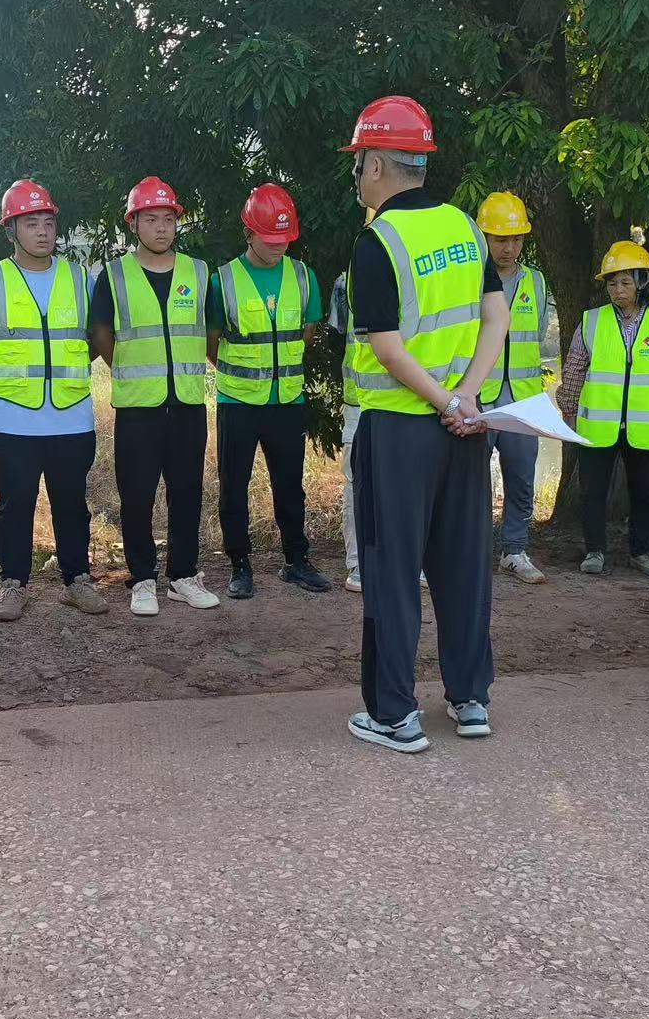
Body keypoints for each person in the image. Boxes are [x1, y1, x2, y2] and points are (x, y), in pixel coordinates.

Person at [340, 96, 510, 754]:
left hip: (398, 432)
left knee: (391, 572)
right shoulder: (466, 229)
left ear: (378, 164)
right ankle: (470, 700)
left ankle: (393, 715)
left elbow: (386, 348)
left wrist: (442, 401)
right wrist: (466, 397)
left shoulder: (377, 241)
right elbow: (496, 318)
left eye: (360, 162)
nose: (358, 175)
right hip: (466, 429)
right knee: (464, 567)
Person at [0, 179, 109, 620]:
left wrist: (62, 366)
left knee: (71, 503)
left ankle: (77, 581)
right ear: (11, 231)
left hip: (72, 416)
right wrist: (9, 373)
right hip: (13, 418)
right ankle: (13, 584)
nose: (42, 231)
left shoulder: (80, 279)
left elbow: (93, 340)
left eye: (48, 222)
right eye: (30, 223)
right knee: (14, 504)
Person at [89, 176, 219, 616]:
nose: (161, 228)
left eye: (168, 219)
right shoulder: (114, 275)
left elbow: (210, 331)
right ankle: (142, 578)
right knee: (137, 496)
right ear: (134, 224)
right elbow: (102, 334)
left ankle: (183, 576)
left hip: (186, 404)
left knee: (187, 494)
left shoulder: (198, 272)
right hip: (137, 408)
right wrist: (129, 369)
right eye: (151, 219)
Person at [206, 183, 331, 599]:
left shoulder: (303, 276)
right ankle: (239, 565)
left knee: (290, 486)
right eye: (269, 238)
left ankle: (296, 561)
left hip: (288, 400)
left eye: (284, 238)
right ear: (249, 232)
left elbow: (308, 332)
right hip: (238, 401)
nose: (278, 246)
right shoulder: (223, 281)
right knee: (234, 487)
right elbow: (211, 341)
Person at [557, 232, 649, 577]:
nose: (618, 290)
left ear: (642, 282)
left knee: (645, 493)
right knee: (593, 492)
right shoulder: (592, 321)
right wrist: (568, 409)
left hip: (646, 425)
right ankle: (594, 551)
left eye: (625, 282)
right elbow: (574, 367)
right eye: (612, 283)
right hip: (598, 423)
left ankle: (641, 552)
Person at [475, 190, 549, 584]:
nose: (509, 248)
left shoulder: (535, 281)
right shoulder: (471, 279)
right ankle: (473, 550)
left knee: (522, 477)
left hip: (524, 399)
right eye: (501, 239)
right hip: (478, 396)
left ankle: (515, 550)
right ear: (484, 237)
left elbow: (537, 332)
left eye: (517, 239)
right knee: (473, 479)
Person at [328, 269, 363, 593]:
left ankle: (411, 561)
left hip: (413, 401)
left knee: (409, 483)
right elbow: (337, 336)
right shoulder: (346, 282)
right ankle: (358, 564)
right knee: (356, 484)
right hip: (359, 401)